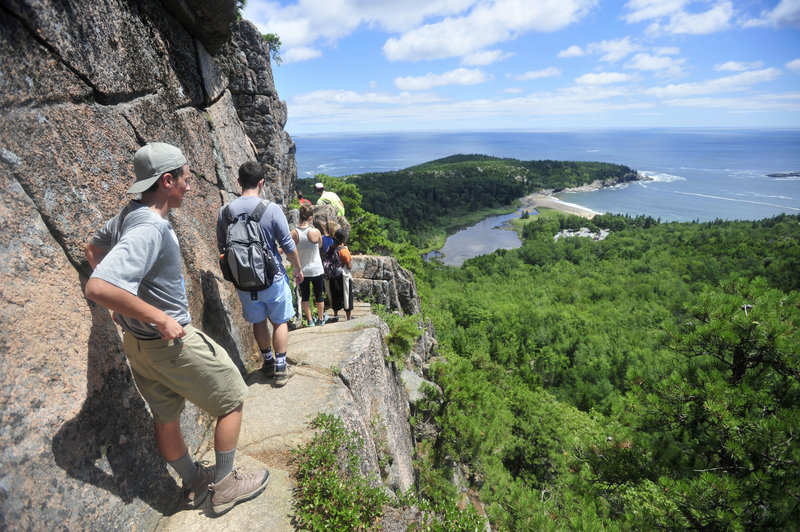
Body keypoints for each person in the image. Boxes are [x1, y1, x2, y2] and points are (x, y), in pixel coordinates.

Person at [84, 142, 269, 515]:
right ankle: (225, 485)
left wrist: (126, 311)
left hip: (139, 347)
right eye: (186, 178)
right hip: (170, 343)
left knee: (166, 417)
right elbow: (99, 286)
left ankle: (195, 480)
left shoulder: (129, 214)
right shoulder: (151, 226)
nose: (190, 185)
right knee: (233, 399)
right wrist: (159, 316)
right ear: (167, 180)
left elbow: (93, 249)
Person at [216, 161, 304, 386]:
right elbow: (288, 244)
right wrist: (297, 268)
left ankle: (267, 362)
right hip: (272, 277)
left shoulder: (225, 212)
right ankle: (281, 367)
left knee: (258, 320)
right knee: (280, 321)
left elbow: (222, 247)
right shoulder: (271, 209)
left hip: (244, 282)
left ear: (238, 182)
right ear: (261, 183)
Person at [291, 205, 327, 327]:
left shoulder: (294, 233)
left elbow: (289, 248)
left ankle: (310, 320)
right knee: (319, 295)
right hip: (317, 268)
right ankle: (321, 319)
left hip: (303, 270)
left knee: (305, 296)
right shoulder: (316, 232)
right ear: (311, 218)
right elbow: (321, 245)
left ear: (300, 217)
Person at [328, 228, 354, 321]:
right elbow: (349, 266)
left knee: (335, 295)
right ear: (343, 239)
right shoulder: (344, 251)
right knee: (347, 295)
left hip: (332, 275)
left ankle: (335, 315)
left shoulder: (330, 248)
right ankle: (348, 317)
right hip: (343, 276)